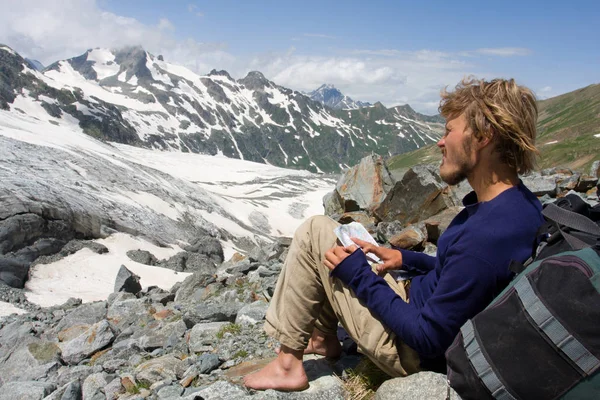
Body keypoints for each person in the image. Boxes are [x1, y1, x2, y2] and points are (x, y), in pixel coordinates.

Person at [244, 77, 544, 391]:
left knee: (312, 234)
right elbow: (465, 274)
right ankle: (322, 338)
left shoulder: (488, 235)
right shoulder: (518, 205)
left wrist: (359, 275)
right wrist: (406, 257)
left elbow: (427, 338)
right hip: (414, 303)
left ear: (483, 136)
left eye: (449, 131)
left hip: (407, 349)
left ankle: (288, 366)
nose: (441, 143)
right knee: (330, 235)